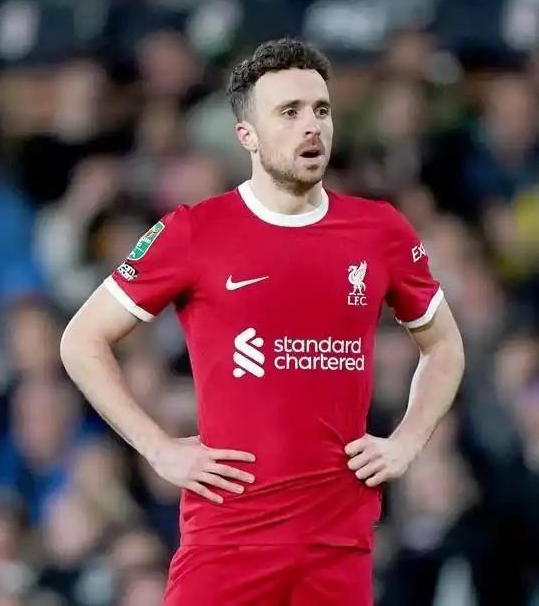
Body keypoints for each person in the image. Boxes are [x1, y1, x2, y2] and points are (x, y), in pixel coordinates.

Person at [59, 38, 466, 606]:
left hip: (338, 547)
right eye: (289, 112)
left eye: (321, 110)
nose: (311, 126)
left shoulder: (380, 231)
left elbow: (444, 345)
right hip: (228, 543)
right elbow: (81, 340)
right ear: (246, 135)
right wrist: (156, 448)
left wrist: (407, 442)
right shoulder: (194, 232)